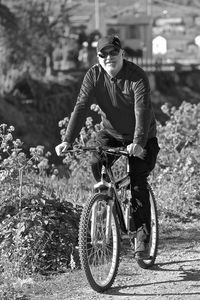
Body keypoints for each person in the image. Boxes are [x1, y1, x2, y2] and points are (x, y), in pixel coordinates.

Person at [55, 35, 160, 259]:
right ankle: (106, 201)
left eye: (113, 52)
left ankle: (141, 236)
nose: (109, 57)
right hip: (111, 133)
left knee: (138, 183)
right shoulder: (93, 75)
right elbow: (81, 106)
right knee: (95, 160)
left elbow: (141, 111)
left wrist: (138, 143)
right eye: (103, 53)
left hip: (142, 137)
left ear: (122, 53)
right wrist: (68, 140)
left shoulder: (136, 76)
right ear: (98, 57)